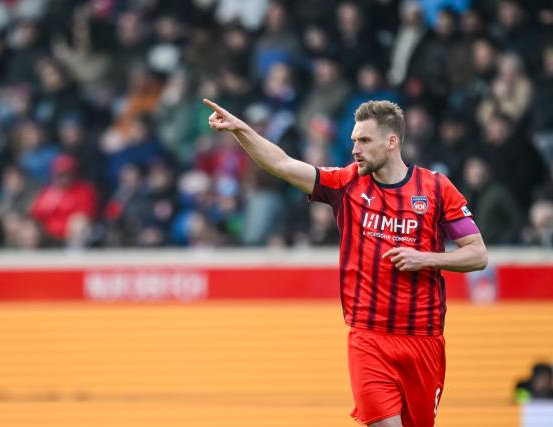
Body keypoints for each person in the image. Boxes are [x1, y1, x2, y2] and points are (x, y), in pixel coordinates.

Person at [203, 98, 488, 427]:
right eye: (353, 140)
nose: (355, 149)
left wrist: (424, 258)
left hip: (423, 339)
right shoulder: (346, 183)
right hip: (368, 338)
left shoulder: (437, 189)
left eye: (364, 141)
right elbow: (281, 164)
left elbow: (477, 254)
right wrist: (240, 129)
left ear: (391, 141)